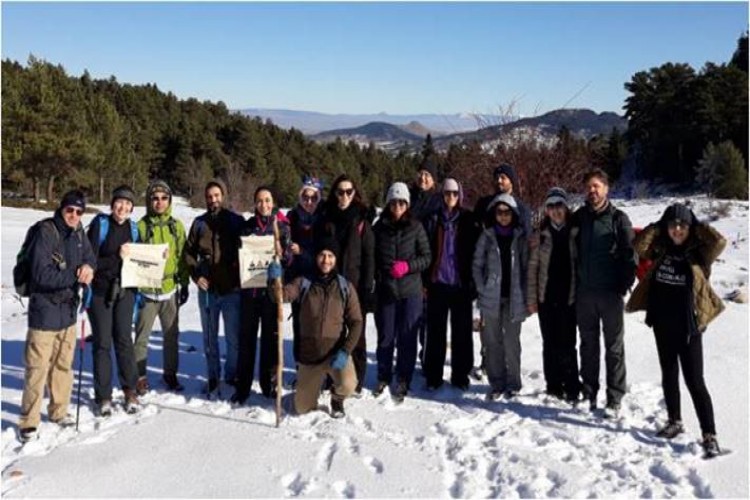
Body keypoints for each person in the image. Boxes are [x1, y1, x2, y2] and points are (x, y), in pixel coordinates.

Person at [626, 203, 725, 458]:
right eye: (673, 225)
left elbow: (719, 241)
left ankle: (709, 434)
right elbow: (639, 245)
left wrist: (696, 222)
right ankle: (674, 420)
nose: (677, 229)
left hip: (690, 327)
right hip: (662, 323)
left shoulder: (699, 253)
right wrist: (659, 225)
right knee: (669, 374)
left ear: (690, 228)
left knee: (695, 381)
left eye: (682, 225)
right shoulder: (659, 249)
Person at [17, 190, 96, 442]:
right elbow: (41, 275)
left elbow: (90, 258)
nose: (74, 215)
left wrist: (88, 268)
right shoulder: (46, 232)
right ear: (62, 209)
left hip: (69, 311)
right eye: (70, 210)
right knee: (37, 368)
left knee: (63, 366)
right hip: (44, 310)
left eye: (79, 211)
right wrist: (75, 274)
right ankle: (29, 421)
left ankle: (59, 411)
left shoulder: (80, 233)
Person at [268, 237, 363, 418]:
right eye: (322, 255)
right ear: (316, 257)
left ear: (336, 259)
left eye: (330, 255)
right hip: (309, 356)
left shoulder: (345, 287)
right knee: (302, 408)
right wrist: (274, 280)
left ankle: (337, 399)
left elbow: (357, 322)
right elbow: (280, 297)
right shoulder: (303, 282)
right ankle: (307, 392)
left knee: (349, 384)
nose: (326, 260)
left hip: (335, 354)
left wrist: (345, 351)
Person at [573, 168, 636, 417]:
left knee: (614, 348)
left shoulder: (619, 218)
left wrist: (624, 284)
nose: (592, 190)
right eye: (589, 186)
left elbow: (630, 254)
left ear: (606, 189)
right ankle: (589, 392)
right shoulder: (579, 218)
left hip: (610, 294)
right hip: (585, 294)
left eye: (597, 185)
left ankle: (614, 397)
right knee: (588, 345)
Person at [231, 186, 292, 403]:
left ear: (273, 202)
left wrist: (282, 254)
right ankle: (242, 387)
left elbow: (288, 261)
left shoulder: (282, 228)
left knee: (270, 341)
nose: (264, 204)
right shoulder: (247, 227)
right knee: (246, 340)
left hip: (271, 294)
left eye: (267, 200)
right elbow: (238, 257)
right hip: (250, 291)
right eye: (260, 201)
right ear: (255, 203)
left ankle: (268, 384)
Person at [315, 174, 375, 394]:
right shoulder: (326, 217)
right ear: (334, 194)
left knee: (356, 334)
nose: (344, 196)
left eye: (349, 191)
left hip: (355, 285)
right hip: (330, 285)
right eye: (340, 191)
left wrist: (367, 289)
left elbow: (369, 258)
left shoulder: (361, 221)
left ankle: (357, 378)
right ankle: (332, 377)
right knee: (332, 332)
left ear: (354, 193)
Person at [183, 179, 244, 396]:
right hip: (207, 289)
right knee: (209, 339)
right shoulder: (199, 223)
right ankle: (212, 376)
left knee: (233, 339)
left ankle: (230, 376)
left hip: (231, 290)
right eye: (209, 197)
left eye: (216, 195)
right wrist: (196, 275)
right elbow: (188, 253)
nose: (213, 200)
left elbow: (249, 247)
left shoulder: (236, 221)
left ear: (223, 196)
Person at [372, 182, 431, 402]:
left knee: (407, 337)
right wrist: (378, 276)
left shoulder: (415, 227)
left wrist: (408, 266)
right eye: (393, 201)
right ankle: (383, 375)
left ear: (407, 204)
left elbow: (426, 256)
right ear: (387, 203)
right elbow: (372, 256)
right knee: (386, 336)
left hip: (411, 291)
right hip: (386, 291)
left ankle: (403, 377)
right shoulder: (379, 227)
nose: (397, 205)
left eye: (401, 202)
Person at [87, 185, 142, 416]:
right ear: (112, 205)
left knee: (123, 340)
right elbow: (89, 258)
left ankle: (130, 390)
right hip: (100, 291)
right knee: (102, 343)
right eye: (120, 202)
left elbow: (141, 258)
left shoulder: (133, 228)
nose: (123, 207)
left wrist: (159, 256)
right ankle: (104, 396)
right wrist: (115, 259)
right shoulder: (100, 225)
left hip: (125, 292)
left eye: (128, 204)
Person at [133, 180, 190, 394]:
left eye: (164, 198)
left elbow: (182, 258)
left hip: (169, 290)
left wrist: (184, 284)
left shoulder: (176, 226)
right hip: (146, 292)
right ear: (149, 201)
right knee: (141, 337)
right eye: (155, 198)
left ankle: (170, 374)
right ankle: (139, 376)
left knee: (171, 336)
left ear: (169, 201)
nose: (159, 202)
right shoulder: (140, 226)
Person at [422, 178, 478, 391]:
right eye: (447, 193)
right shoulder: (433, 219)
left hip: (460, 284)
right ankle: (433, 376)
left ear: (460, 195)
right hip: (438, 283)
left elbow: (474, 252)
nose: (451, 197)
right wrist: (425, 279)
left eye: (455, 193)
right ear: (442, 195)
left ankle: (460, 375)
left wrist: (473, 281)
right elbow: (426, 249)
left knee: (462, 332)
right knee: (435, 332)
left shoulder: (468, 219)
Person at [472, 193, 529, 400]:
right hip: (491, 298)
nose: (503, 216)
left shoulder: (520, 238)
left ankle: (514, 382)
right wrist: (482, 288)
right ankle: (497, 382)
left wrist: (525, 294)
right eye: (499, 212)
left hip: (514, 298)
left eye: (507, 212)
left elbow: (525, 268)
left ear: (513, 214)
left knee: (512, 341)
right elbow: (477, 265)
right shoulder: (487, 237)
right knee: (492, 341)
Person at [527, 187, 581, 403]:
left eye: (559, 206)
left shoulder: (575, 233)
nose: (556, 211)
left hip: (570, 297)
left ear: (565, 208)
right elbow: (532, 270)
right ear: (546, 211)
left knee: (568, 343)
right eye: (551, 207)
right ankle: (553, 386)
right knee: (549, 343)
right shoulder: (541, 236)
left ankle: (572, 386)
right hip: (546, 298)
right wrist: (532, 299)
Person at [286, 175, 324, 362]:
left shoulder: (324, 219)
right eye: (305, 197)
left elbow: (325, 251)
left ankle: (319, 370)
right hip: (297, 279)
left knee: (318, 327)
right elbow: (283, 246)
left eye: (313, 198)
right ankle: (301, 366)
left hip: (318, 280)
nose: (309, 202)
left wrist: (303, 251)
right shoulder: (291, 218)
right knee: (299, 327)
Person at [409, 158, 443, 363]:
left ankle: (427, 354)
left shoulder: (438, 201)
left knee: (428, 317)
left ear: (434, 180)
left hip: (430, 264)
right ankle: (409, 355)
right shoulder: (409, 197)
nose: (423, 178)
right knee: (411, 315)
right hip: (409, 264)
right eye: (421, 173)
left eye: (428, 175)